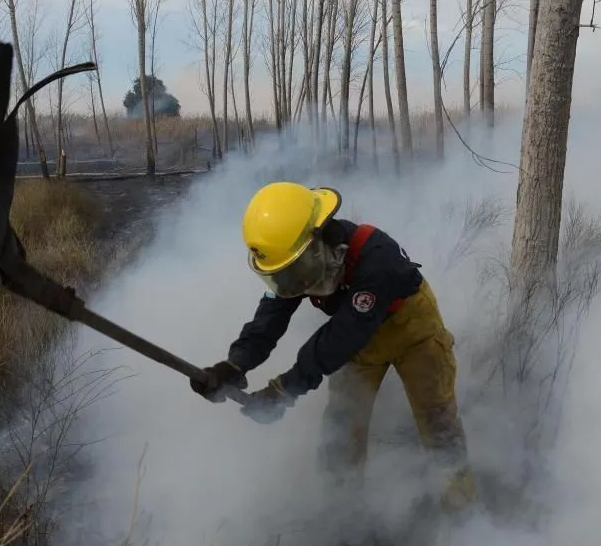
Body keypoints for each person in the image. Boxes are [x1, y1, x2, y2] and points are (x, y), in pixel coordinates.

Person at [189, 181, 476, 512]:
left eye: (293, 271)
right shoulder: (299, 263)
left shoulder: (376, 259)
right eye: (282, 274)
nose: (291, 282)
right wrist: (235, 364)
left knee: (439, 422)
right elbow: (271, 316)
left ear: (318, 243)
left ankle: (462, 511)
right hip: (358, 342)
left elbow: (340, 337)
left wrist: (283, 390)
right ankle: (342, 521)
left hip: (413, 332)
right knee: (340, 430)